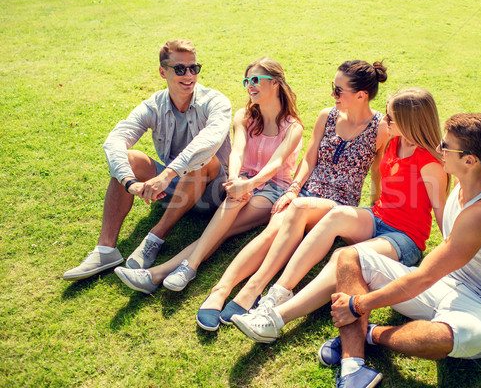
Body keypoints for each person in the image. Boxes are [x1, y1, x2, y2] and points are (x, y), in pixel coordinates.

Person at [231, 87, 449, 343]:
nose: (385, 121)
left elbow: (442, 214)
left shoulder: (431, 163)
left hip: (405, 237)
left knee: (342, 257)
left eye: (390, 118)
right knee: (334, 217)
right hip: (377, 218)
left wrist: (451, 262)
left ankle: (275, 319)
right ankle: (277, 294)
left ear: (410, 123)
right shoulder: (393, 141)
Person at [323, 113, 481, 388]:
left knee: (440, 337)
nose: (438, 149)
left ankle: (370, 334)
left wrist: (358, 306)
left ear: (469, 160)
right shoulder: (464, 183)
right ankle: (353, 366)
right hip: (446, 285)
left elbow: (425, 276)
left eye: (446, 146)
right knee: (349, 256)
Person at [195, 60, 390, 331]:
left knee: (293, 213)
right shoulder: (328, 116)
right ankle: (221, 289)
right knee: (272, 229)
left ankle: (251, 290)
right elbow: (309, 158)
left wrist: (376, 209)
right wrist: (293, 189)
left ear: (361, 95)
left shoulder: (380, 128)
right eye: (332, 88)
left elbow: (379, 173)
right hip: (304, 193)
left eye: (338, 90)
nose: (332, 95)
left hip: (338, 203)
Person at [112, 57, 303, 294]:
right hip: (241, 181)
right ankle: (170, 272)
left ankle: (168, 271)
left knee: (225, 227)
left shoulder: (293, 127)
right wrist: (235, 179)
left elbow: (275, 164)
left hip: (272, 188)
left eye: (255, 80)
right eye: (247, 81)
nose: (250, 86)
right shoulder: (244, 116)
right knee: (228, 213)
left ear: (275, 83)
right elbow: (238, 151)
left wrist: (250, 184)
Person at [62, 39, 232, 281]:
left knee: (203, 160)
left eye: (194, 68)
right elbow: (115, 140)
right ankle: (106, 249)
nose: (189, 75)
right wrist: (130, 182)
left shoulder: (215, 101)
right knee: (131, 158)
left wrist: (166, 174)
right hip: (172, 189)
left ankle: (155, 237)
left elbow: (208, 142)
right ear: (163, 72)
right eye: (180, 69)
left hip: (212, 193)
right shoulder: (154, 105)